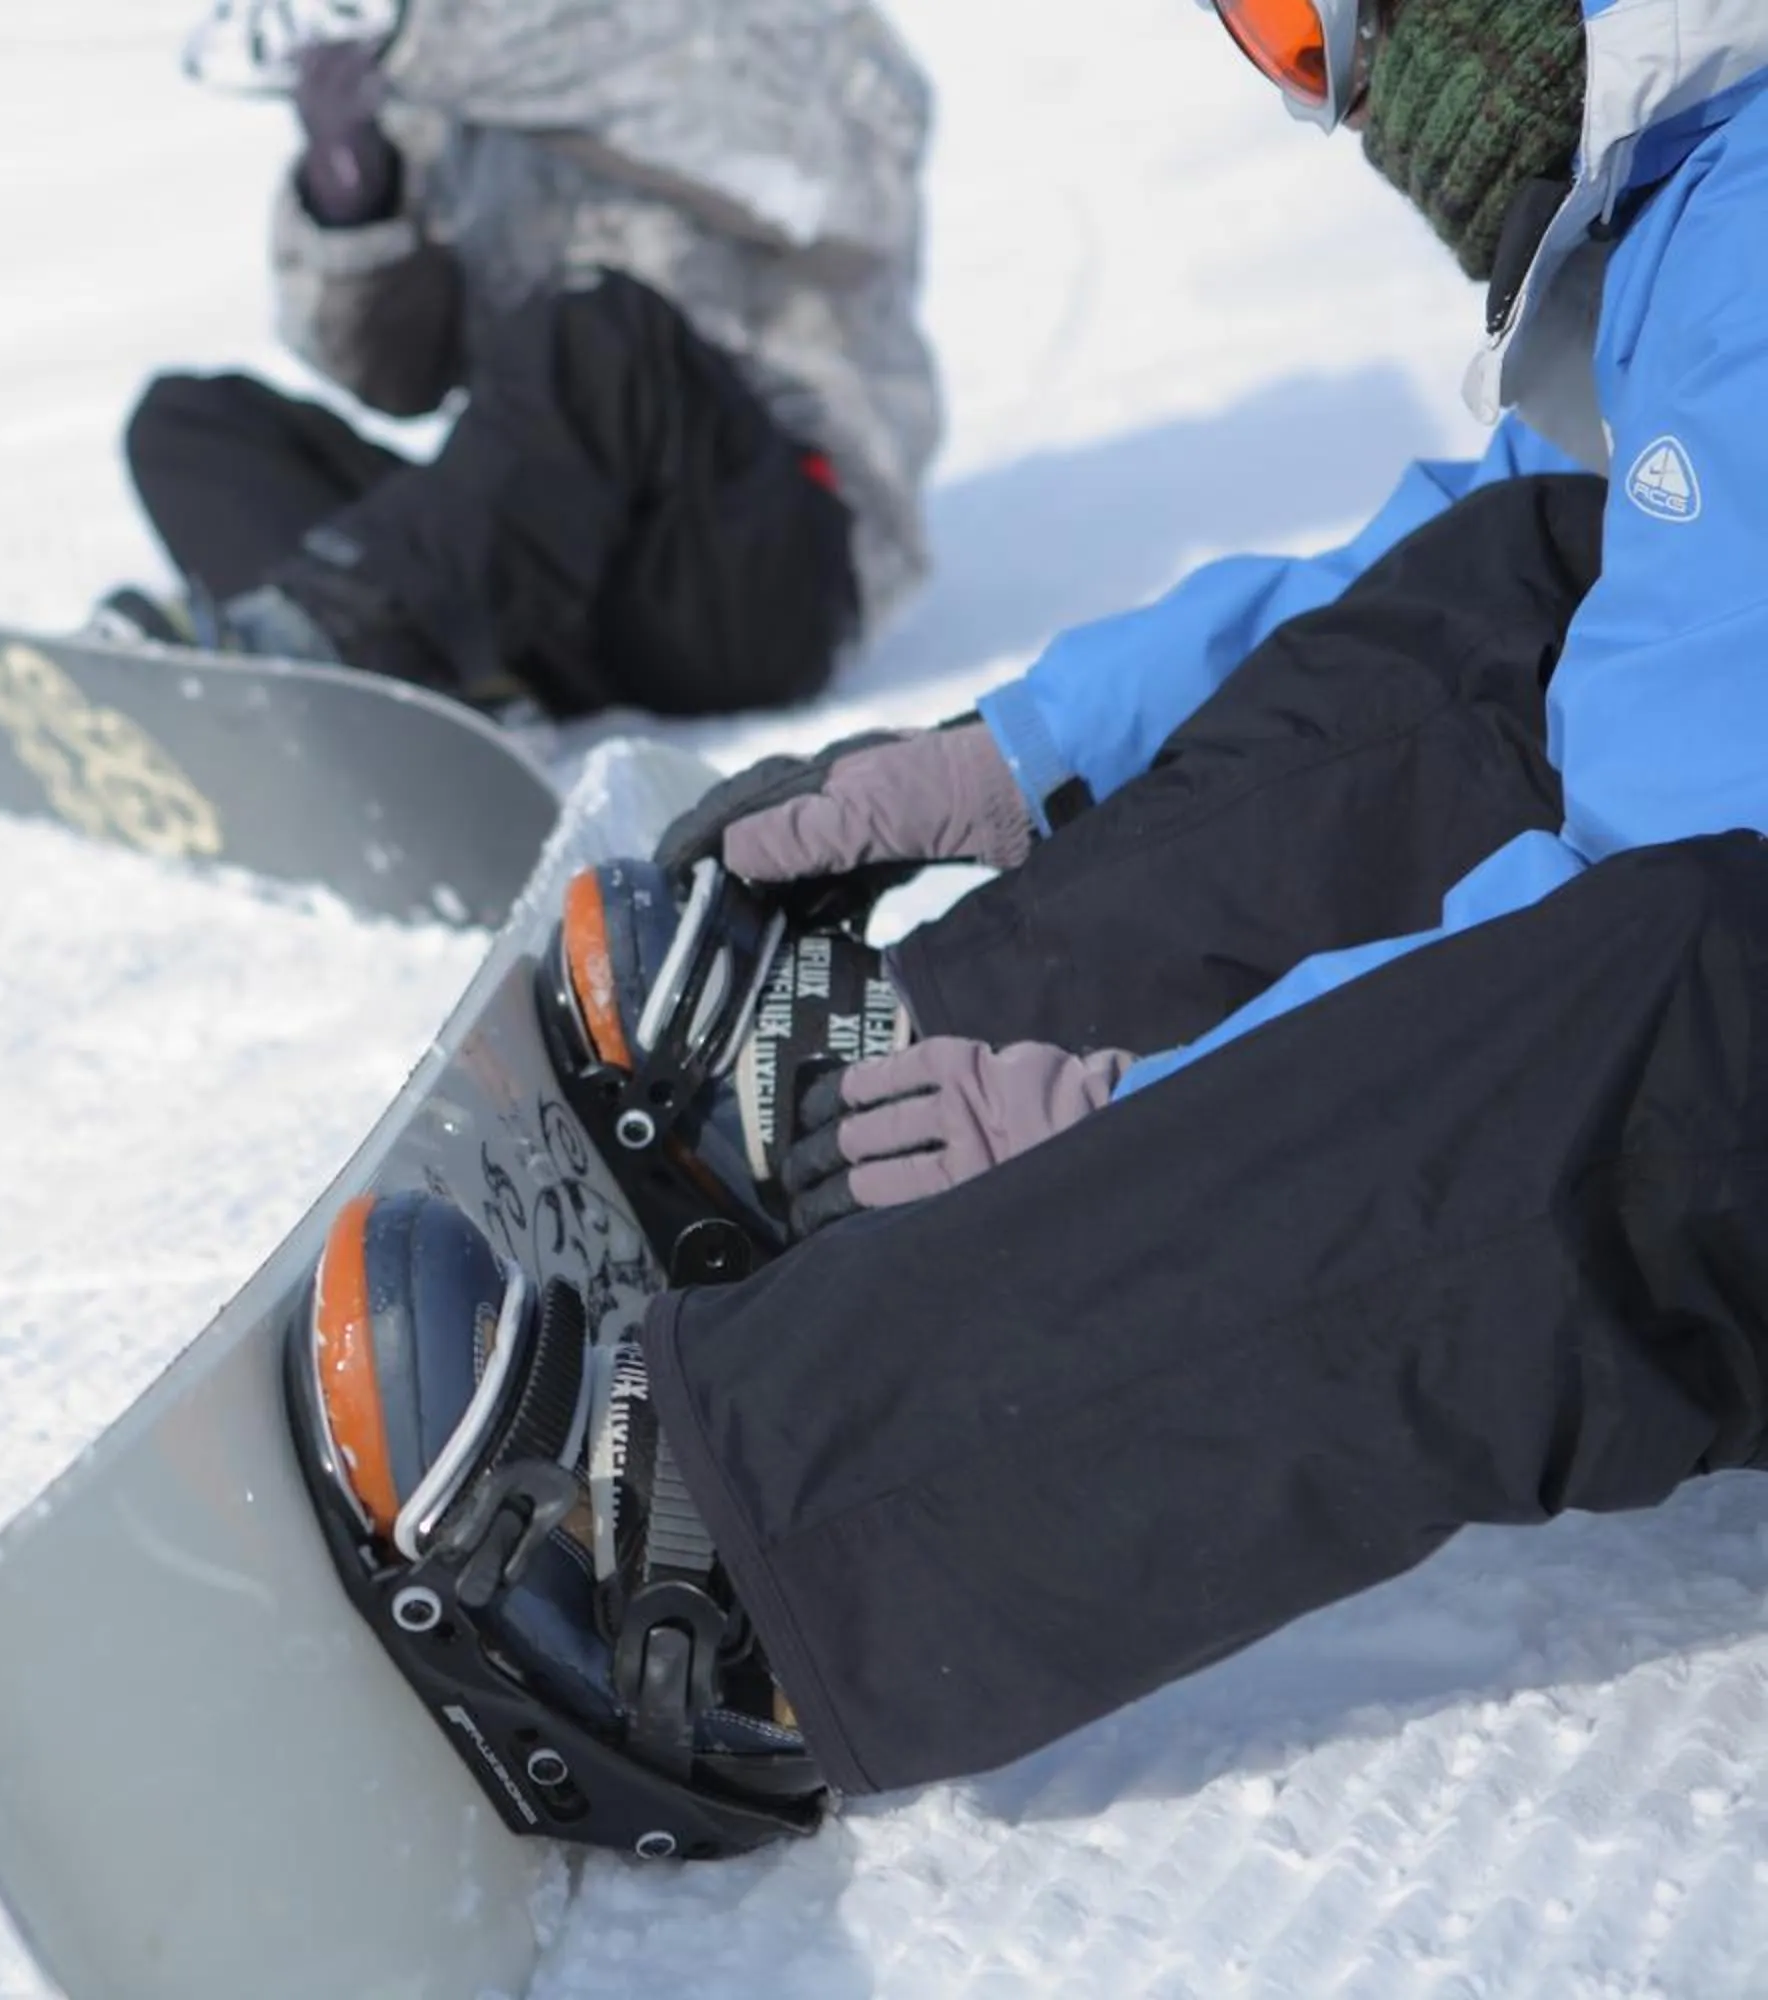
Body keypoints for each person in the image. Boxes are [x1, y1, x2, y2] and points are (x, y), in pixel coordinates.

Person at [323, 0, 1768, 1818]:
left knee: (1704, 1012)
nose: (1340, 102)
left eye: (1311, 29)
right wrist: (1009, 757)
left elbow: (1653, 906)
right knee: (1524, 580)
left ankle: (753, 1558)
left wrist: (1138, 1125)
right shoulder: (1700, 197)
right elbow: (1511, 561)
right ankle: (885, 1105)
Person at [117, 0, 941, 719]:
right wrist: (356, 203)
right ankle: (433, 686)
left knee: (599, 323)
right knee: (188, 426)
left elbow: (835, 190)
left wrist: (437, 41)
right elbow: (396, 381)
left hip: (760, 582)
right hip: (539, 587)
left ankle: (347, 636)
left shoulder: (801, 31)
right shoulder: (453, 108)